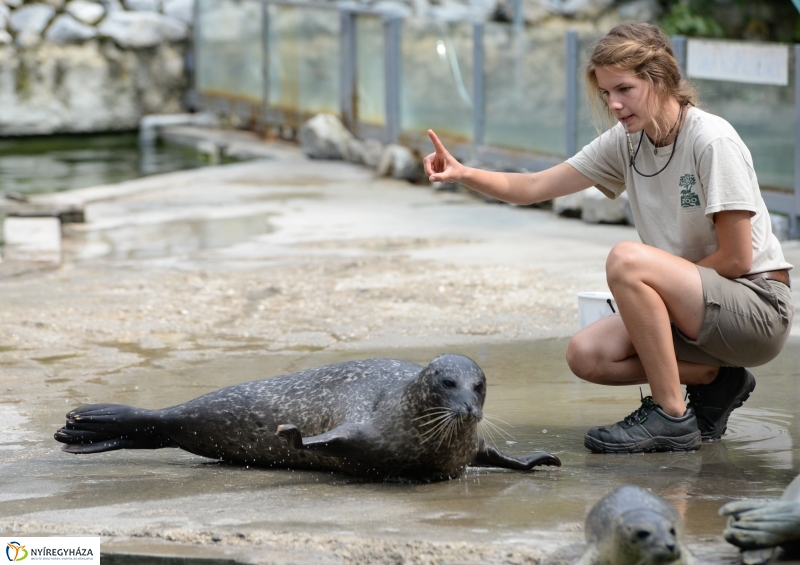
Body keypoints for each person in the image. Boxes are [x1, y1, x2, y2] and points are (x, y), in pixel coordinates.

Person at [423, 22, 793, 454]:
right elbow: (534, 187)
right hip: (699, 308)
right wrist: (463, 173)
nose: (614, 104)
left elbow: (735, 259)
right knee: (587, 354)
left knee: (627, 259)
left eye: (625, 89)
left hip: (757, 309)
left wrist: (656, 291)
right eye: (605, 94)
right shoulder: (628, 142)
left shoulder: (711, 140)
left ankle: (672, 416)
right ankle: (717, 379)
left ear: (660, 80)